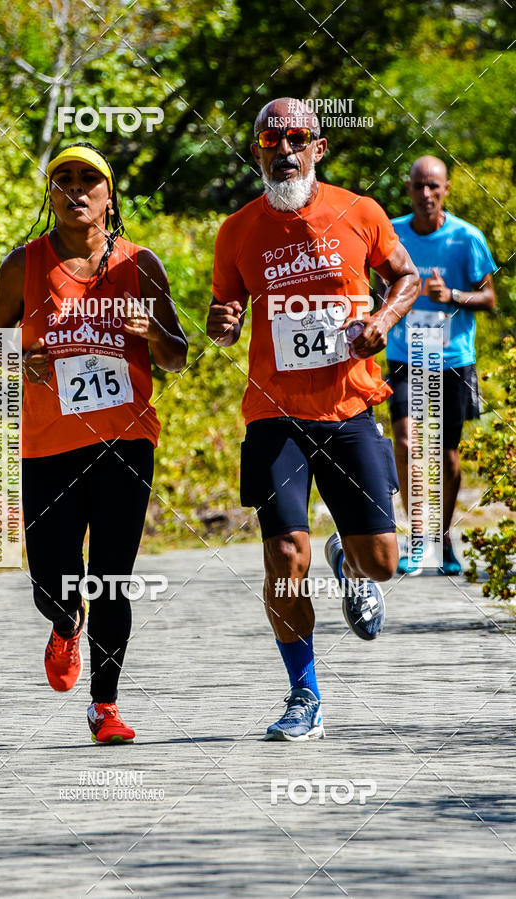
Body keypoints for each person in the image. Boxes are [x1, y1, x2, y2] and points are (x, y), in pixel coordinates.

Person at [206, 98, 420, 741]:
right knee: (282, 555)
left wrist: (381, 321)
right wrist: (222, 322)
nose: (285, 149)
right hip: (274, 415)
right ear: (257, 152)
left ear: (318, 147)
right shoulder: (236, 230)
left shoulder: (360, 211)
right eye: (273, 139)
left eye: (298, 137)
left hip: (350, 405)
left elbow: (405, 278)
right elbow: (224, 311)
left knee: (383, 561)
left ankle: (351, 565)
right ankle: (305, 695)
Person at [0, 142, 187, 743]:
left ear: (109, 194)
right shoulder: (21, 266)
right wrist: (21, 357)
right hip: (47, 444)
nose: (76, 190)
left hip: (126, 442)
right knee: (52, 579)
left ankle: (105, 706)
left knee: (112, 577)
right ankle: (64, 623)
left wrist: (153, 333)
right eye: (63, 180)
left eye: (88, 180)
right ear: (51, 196)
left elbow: (177, 358)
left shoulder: (140, 264)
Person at [384, 156, 496, 575]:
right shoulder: (392, 234)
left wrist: (452, 296)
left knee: (447, 459)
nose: (426, 194)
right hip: (404, 355)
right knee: (408, 444)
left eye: (434, 186)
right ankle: (417, 538)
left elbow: (488, 298)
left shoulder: (467, 238)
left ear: (446, 189)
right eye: (419, 186)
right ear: (409, 189)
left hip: (452, 359)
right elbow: (373, 285)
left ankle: (443, 538)